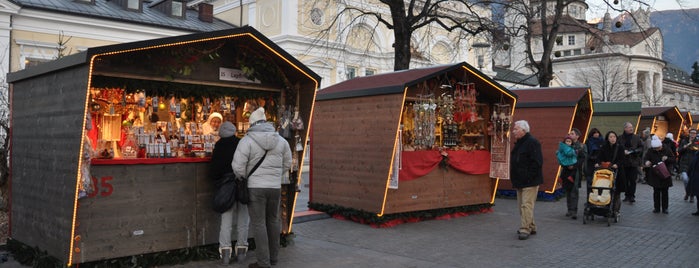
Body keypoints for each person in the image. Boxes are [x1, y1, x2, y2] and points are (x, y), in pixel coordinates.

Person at [232, 107, 291, 268]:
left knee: (258, 224)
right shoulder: (281, 141)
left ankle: (263, 262)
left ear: (251, 124)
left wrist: (245, 177)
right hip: (274, 187)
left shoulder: (247, 141)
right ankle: (274, 259)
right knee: (273, 221)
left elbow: (237, 167)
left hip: (255, 188)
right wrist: (275, 177)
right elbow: (287, 164)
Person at [210, 121, 249, 265]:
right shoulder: (242, 143)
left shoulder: (219, 146)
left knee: (226, 222)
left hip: (226, 187)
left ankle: (225, 254)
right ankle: (241, 253)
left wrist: (218, 181)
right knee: (243, 220)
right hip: (242, 185)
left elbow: (214, 170)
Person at [509, 120, 543, 240]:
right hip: (520, 180)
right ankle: (531, 226)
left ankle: (525, 228)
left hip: (530, 181)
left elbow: (537, 162)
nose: (513, 131)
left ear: (523, 130)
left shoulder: (532, 143)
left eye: (515, 129)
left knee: (526, 205)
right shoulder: (520, 143)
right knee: (522, 206)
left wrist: (529, 176)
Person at [594, 131, 625, 216]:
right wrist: (598, 163)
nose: (613, 139)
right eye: (611, 137)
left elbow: (622, 159)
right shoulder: (604, 147)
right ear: (607, 138)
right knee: (606, 191)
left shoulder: (620, 147)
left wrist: (617, 164)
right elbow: (599, 157)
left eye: (614, 137)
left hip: (617, 172)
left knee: (616, 192)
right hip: (606, 172)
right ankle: (606, 209)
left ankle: (616, 210)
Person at [643, 135, 675, 214]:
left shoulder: (667, 149)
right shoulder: (651, 150)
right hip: (655, 173)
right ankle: (656, 208)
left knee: (665, 192)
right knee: (656, 191)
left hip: (665, 173)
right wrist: (647, 162)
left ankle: (665, 208)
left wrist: (667, 158)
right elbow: (646, 158)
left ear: (661, 145)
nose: (657, 150)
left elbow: (673, 159)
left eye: (658, 148)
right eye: (656, 149)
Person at [618, 122, 643, 203]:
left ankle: (632, 196)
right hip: (624, 162)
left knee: (632, 180)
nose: (631, 128)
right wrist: (623, 151)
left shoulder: (636, 137)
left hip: (633, 161)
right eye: (629, 127)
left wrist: (634, 151)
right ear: (625, 129)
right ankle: (626, 195)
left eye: (632, 127)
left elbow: (641, 147)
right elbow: (618, 148)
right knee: (625, 179)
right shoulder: (620, 138)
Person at [556, 135, 578, 219]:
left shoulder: (576, 149)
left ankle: (573, 211)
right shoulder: (564, 150)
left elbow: (580, 159)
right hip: (566, 172)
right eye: (567, 141)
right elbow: (561, 159)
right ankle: (570, 209)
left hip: (574, 172)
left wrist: (573, 166)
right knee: (568, 192)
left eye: (570, 141)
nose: (568, 143)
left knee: (573, 192)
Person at [678, 129, 699, 203]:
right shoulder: (684, 141)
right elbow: (679, 151)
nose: (692, 134)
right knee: (685, 179)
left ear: (696, 134)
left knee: (692, 181)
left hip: (694, 164)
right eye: (691, 133)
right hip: (684, 163)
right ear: (689, 134)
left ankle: (691, 196)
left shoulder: (697, 142)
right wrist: (684, 147)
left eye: (694, 133)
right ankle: (688, 192)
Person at [585, 128, 605, 194]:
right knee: (589, 180)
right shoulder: (588, 141)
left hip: (599, 162)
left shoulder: (602, 141)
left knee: (599, 180)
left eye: (597, 133)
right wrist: (589, 157)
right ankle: (589, 198)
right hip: (590, 162)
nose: (596, 134)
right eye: (594, 133)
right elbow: (586, 152)